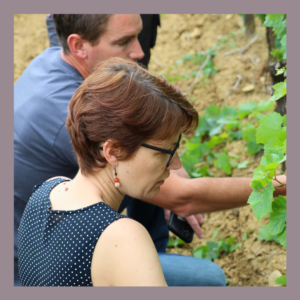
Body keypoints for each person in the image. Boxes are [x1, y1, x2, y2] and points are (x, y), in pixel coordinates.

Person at [14, 14, 226, 286]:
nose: (175, 165)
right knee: (212, 280)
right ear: (111, 150)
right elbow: (182, 196)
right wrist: (275, 186)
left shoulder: (47, 189)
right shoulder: (124, 236)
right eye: (164, 153)